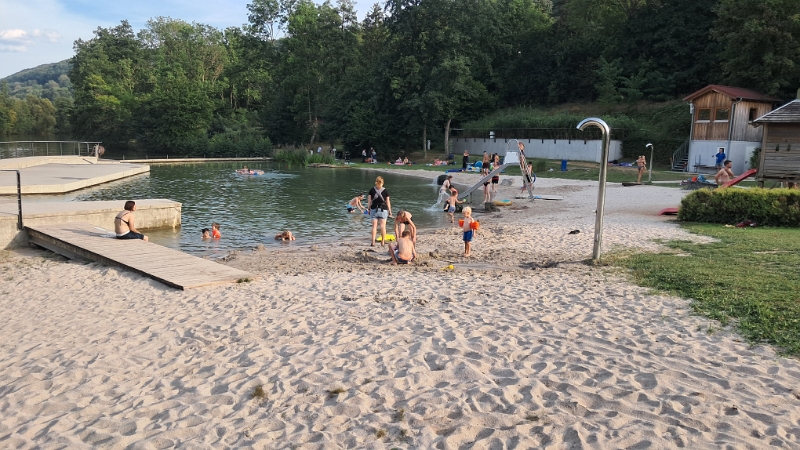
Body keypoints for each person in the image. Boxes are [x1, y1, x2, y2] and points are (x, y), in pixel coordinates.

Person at [368, 176, 392, 246]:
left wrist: (368, 208)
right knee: (383, 226)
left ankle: (373, 242)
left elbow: (369, 201)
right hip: (383, 209)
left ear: (376, 182)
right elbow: (388, 202)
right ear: (382, 182)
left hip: (374, 209)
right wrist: (390, 211)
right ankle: (383, 242)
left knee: (374, 227)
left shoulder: (372, 190)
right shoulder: (385, 191)